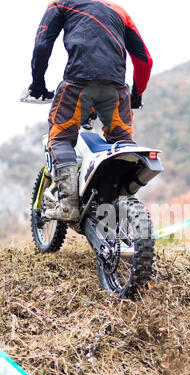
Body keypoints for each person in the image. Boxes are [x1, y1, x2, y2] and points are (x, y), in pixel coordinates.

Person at [29, 0, 153, 222]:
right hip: (116, 89)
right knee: (123, 143)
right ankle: (121, 202)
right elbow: (144, 60)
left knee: (61, 137)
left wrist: (38, 83)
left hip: (78, 84)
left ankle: (67, 205)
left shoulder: (61, 4)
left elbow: (42, 45)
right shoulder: (119, 11)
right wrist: (136, 95)